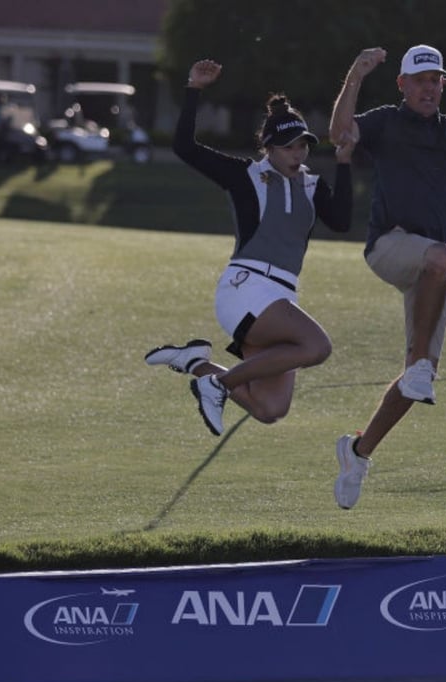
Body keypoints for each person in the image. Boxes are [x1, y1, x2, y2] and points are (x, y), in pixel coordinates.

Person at [327, 44, 446, 509]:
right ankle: (416, 366)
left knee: (422, 378)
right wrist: (354, 75)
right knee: (445, 260)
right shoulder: (385, 121)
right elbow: (338, 132)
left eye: (435, 80)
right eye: (420, 80)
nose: (429, 88)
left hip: (430, 263)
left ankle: (358, 452)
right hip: (391, 246)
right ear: (403, 85)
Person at [145, 59, 353, 437]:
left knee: (270, 409)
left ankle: (197, 364)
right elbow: (184, 148)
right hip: (245, 289)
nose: (298, 154)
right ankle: (217, 386)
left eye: (303, 146)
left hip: (280, 298)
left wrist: (345, 162)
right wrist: (193, 89)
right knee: (318, 347)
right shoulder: (245, 176)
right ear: (269, 148)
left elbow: (341, 221)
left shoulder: (313, 185)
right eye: (288, 147)